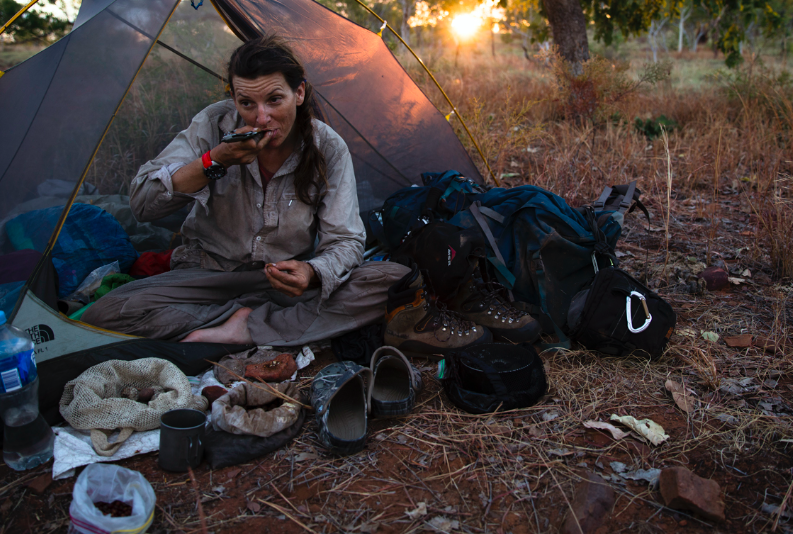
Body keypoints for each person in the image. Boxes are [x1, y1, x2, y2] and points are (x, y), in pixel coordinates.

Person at [83, 34, 490, 353]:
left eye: (274, 100)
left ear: (299, 93)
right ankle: (250, 326)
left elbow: (346, 241)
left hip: (283, 283)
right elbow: (142, 204)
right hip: (207, 275)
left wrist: (313, 272)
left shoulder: (327, 146)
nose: (261, 117)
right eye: (247, 102)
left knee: (390, 279)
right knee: (109, 311)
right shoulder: (212, 126)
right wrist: (214, 161)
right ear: (233, 97)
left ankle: (240, 327)